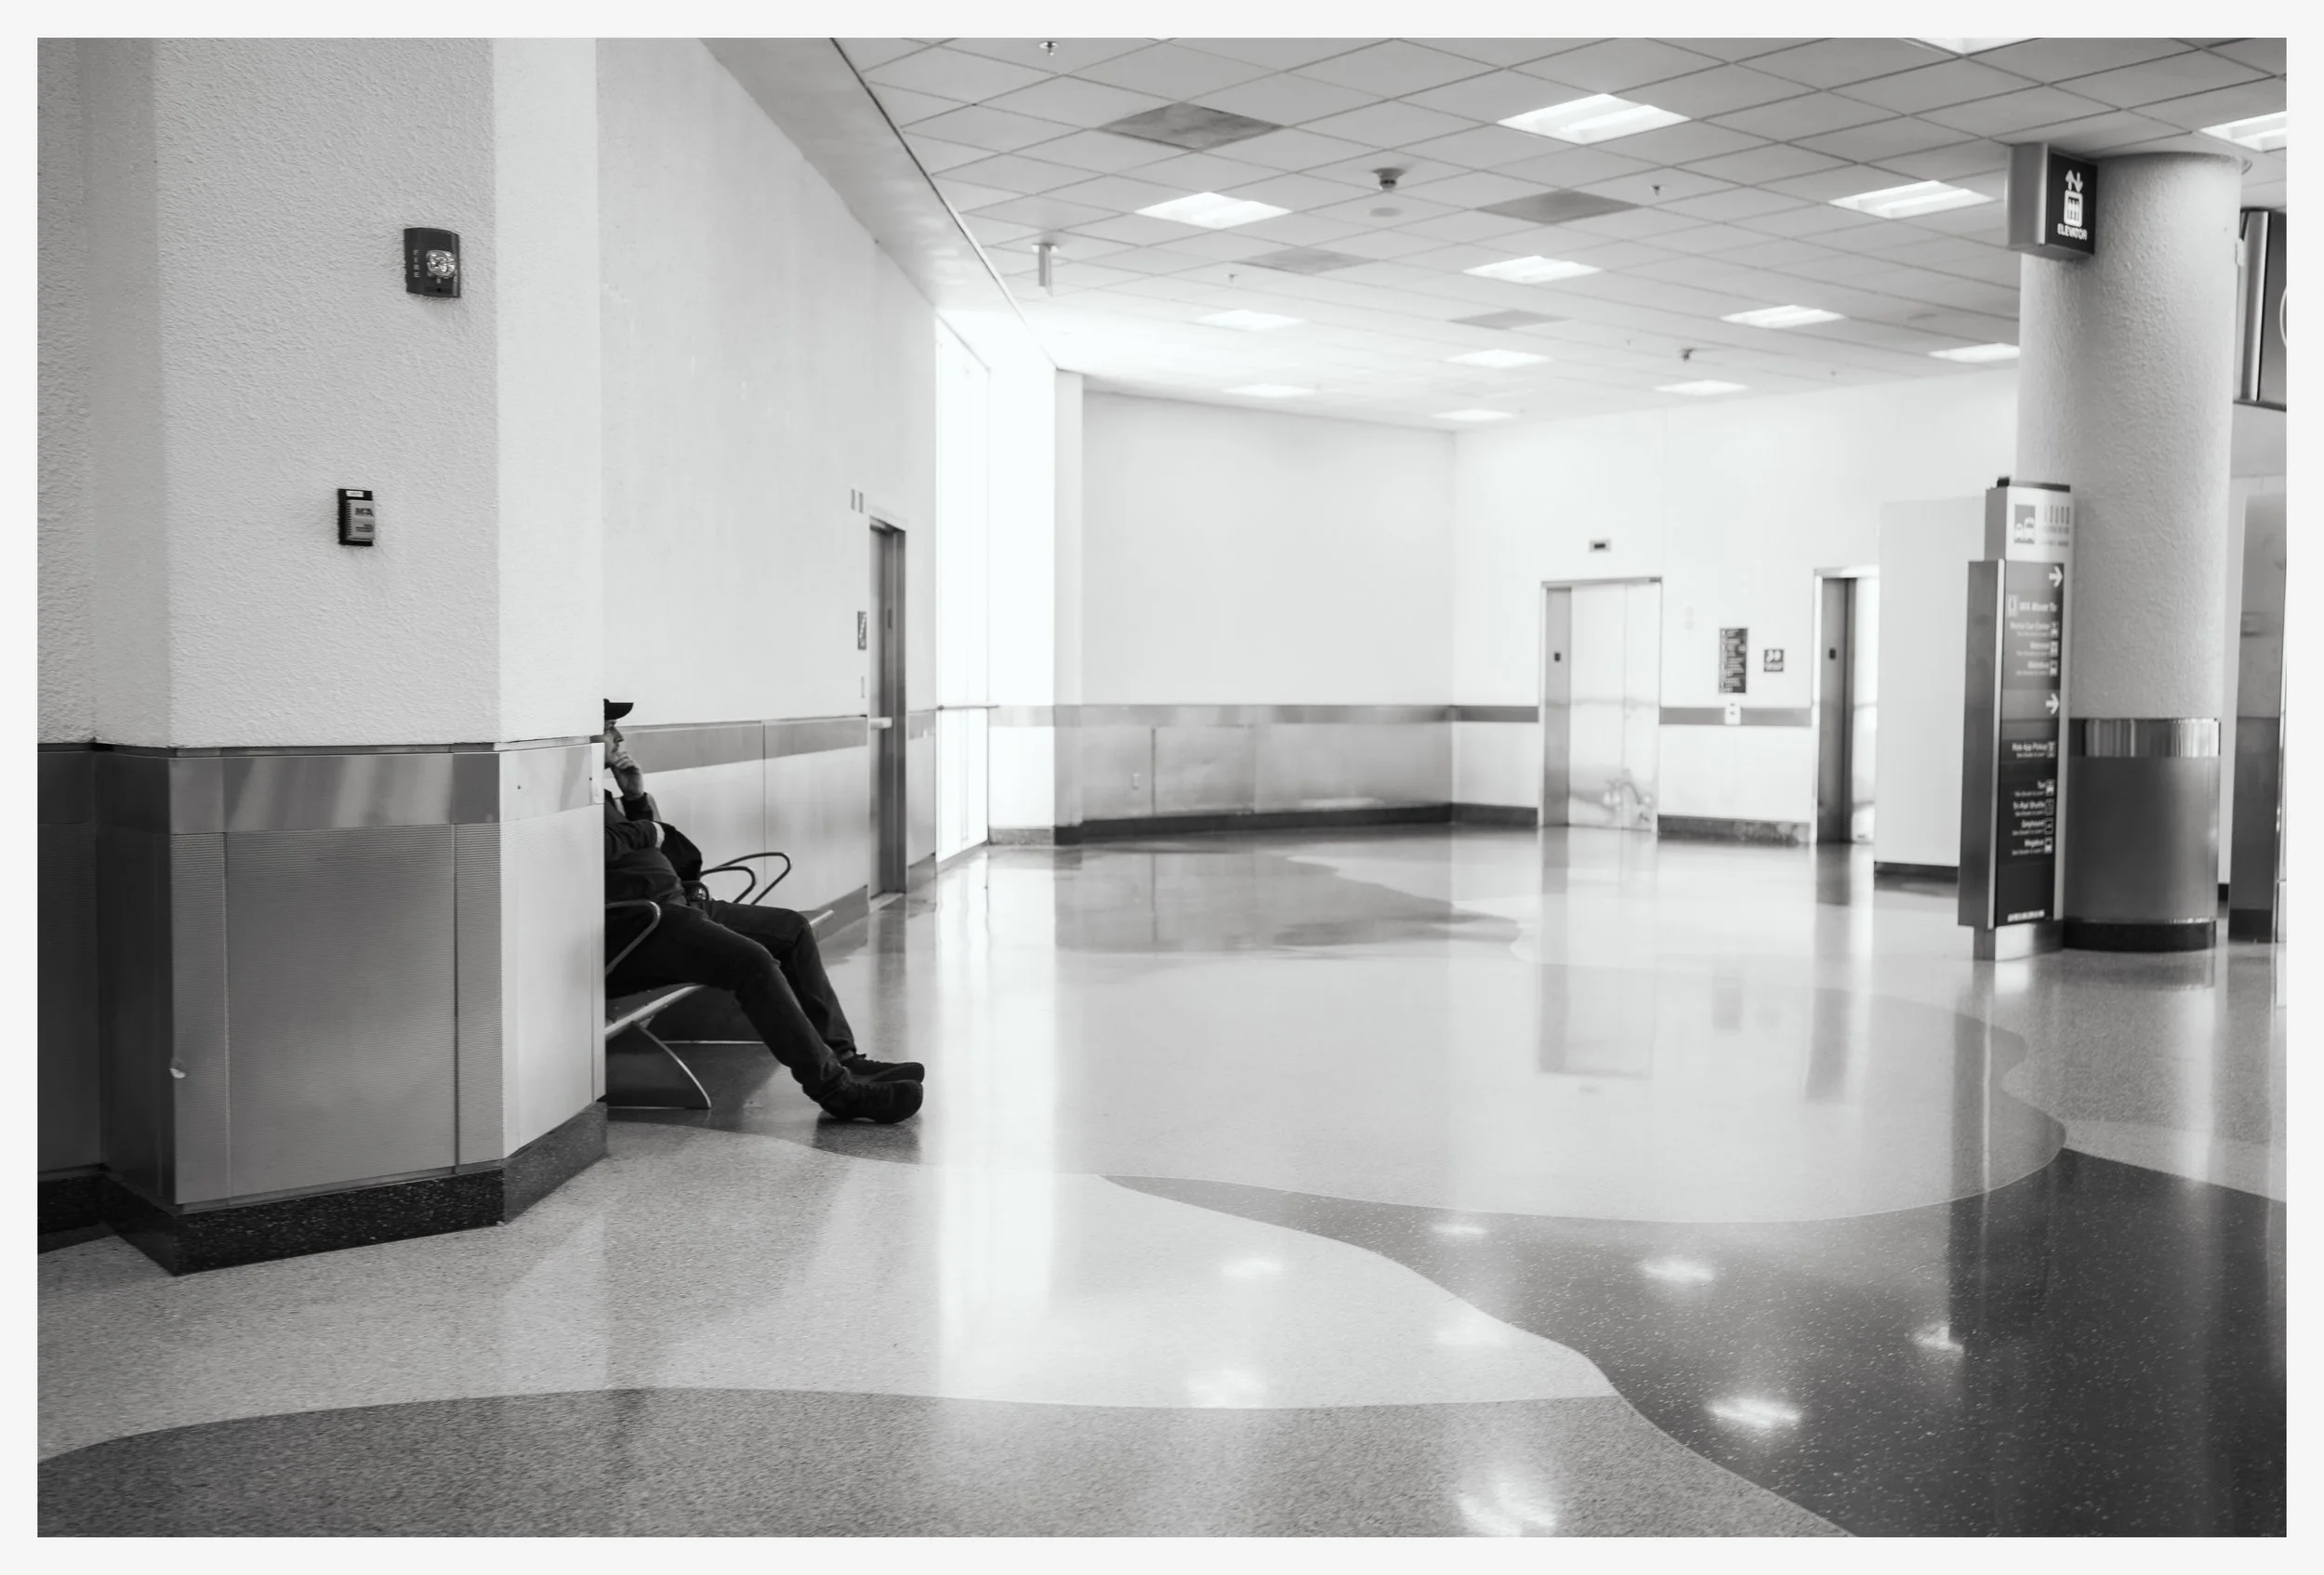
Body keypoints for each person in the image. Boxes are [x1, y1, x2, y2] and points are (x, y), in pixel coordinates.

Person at [601, 699, 923, 1123]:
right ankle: (836, 1090)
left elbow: (661, 845)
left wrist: (637, 799)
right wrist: (647, 829)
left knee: (791, 929)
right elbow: (605, 846)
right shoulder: (565, 801)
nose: (620, 738)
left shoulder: (603, 795)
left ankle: (843, 1058)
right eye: (610, 728)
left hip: (678, 905)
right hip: (641, 928)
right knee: (751, 962)